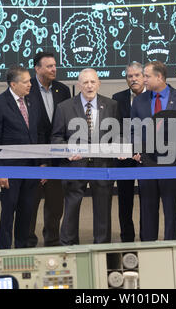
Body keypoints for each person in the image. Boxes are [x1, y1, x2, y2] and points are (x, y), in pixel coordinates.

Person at [51, 68, 119, 245]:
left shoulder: (112, 105)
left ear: (99, 83)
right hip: (74, 166)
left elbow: (118, 135)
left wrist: (118, 148)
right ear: (79, 85)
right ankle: (68, 245)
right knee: (71, 209)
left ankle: (102, 245)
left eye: (93, 82)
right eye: (85, 82)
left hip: (103, 166)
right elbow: (56, 137)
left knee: (103, 209)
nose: (89, 86)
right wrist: (68, 151)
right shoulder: (64, 107)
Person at [131, 60, 176, 241]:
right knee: (147, 210)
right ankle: (148, 248)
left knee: (171, 211)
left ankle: (171, 248)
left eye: (146, 76)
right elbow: (134, 130)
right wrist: (135, 150)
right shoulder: (139, 101)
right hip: (146, 165)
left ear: (159, 77)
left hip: (173, 164)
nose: (143, 79)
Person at [0, 65, 40, 249]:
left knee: (26, 211)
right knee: (9, 212)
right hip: (9, 168)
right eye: (25, 82)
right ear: (13, 84)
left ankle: (22, 248)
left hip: (31, 167)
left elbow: (36, 133)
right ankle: (4, 250)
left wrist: (40, 163)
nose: (30, 85)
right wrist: (0, 171)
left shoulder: (32, 100)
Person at [27, 52, 71, 247]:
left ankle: (52, 240)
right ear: (37, 69)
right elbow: (28, 129)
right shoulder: (26, 89)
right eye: (49, 66)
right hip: (33, 158)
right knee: (30, 203)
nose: (54, 69)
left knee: (55, 205)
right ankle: (27, 241)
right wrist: (40, 162)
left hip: (57, 159)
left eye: (54, 65)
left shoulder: (62, 90)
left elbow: (66, 125)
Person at [111, 61, 146, 242]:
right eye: (129, 76)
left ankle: (147, 235)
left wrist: (142, 150)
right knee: (124, 199)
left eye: (136, 75)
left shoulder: (153, 98)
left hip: (147, 156)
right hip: (124, 156)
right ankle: (127, 236)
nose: (133, 79)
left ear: (144, 77)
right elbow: (114, 128)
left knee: (147, 197)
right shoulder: (118, 98)